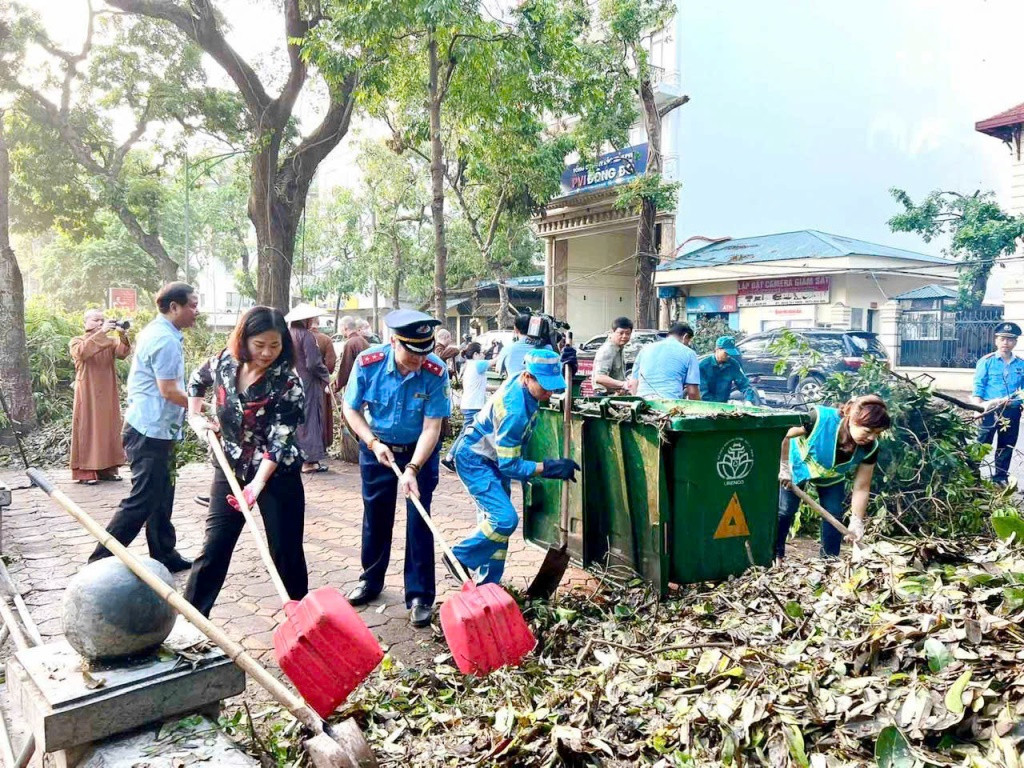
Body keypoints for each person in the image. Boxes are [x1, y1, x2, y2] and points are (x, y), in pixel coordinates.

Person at [183, 307, 308, 616]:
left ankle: (305, 625)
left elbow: (281, 440)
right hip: (229, 467)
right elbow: (196, 382)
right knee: (214, 548)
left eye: (275, 345)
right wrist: (195, 416)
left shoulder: (288, 383)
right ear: (244, 340)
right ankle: (192, 622)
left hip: (276, 476)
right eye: (259, 344)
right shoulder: (224, 362)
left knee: (285, 553)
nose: (267, 353)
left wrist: (256, 485)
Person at [342, 309, 451, 627]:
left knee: (419, 519)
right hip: (378, 449)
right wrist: (374, 443)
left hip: (420, 452)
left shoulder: (436, 370)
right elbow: (351, 409)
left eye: (424, 352)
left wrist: (414, 468)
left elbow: (433, 426)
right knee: (376, 517)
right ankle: (370, 581)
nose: (419, 360)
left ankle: (419, 596)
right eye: (411, 352)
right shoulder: (368, 363)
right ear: (393, 341)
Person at [88, 282, 198, 572]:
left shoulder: (162, 332)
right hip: (149, 431)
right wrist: (205, 409)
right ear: (174, 307)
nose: (196, 312)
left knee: (163, 493)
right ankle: (100, 561)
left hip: (156, 428)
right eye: (193, 305)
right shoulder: (164, 340)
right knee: (144, 498)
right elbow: (169, 391)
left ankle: (164, 553)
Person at [449, 349, 579, 584]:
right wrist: (548, 468)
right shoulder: (514, 411)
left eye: (553, 386)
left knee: (496, 530)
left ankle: (488, 584)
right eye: (545, 386)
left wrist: (571, 372)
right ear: (528, 377)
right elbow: (509, 465)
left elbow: (537, 351)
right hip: (475, 460)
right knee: (504, 520)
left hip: (491, 460)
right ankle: (460, 556)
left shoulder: (521, 379)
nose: (549, 393)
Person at [776, 394, 891, 560]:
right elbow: (785, 434)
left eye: (877, 433)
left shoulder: (870, 448)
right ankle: (775, 556)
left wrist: (857, 520)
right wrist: (784, 466)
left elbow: (861, 487)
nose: (872, 437)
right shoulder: (819, 419)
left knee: (834, 514)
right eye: (868, 431)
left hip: (830, 475)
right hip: (796, 465)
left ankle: (830, 561)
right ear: (851, 418)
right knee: (786, 510)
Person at [70, 310, 132, 484]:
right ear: (85, 322)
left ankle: (108, 469)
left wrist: (122, 334)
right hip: (87, 392)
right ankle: (86, 471)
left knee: (108, 428)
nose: (99, 322)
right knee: (87, 428)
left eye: (102, 320)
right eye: (95, 320)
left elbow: (122, 353)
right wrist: (102, 331)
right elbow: (81, 353)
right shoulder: (77, 341)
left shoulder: (109, 342)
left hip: (107, 391)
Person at [973, 321, 1024, 488]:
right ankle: (972, 475)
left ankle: (999, 478)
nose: (1005, 343)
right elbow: (979, 386)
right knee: (982, 443)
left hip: (1012, 411)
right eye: (1002, 339)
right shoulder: (987, 361)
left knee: (1006, 445)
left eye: (1010, 340)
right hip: (989, 410)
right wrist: (978, 409)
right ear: (996, 340)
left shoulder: (1021, 364)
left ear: (1015, 342)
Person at [287, 303, 331, 474]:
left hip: (290, 382)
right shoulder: (306, 336)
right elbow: (313, 363)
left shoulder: (287, 335)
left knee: (295, 419)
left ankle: (296, 458)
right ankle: (309, 461)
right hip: (307, 382)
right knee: (310, 418)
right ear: (306, 320)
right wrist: (325, 374)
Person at [441, 342, 488, 471]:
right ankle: (450, 457)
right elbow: (495, 361)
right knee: (467, 432)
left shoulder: (468, 365)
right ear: (475, 354)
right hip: (473, 406)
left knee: (471, 432)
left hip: (470, 404)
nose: (484, 354)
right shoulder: (478, 364)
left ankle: (458, 457)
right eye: (482, 352)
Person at [628, 322, 700, 400]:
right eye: (688, 341)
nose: (687, 344)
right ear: (685, 336)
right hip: (671, 404)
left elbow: (633, 384)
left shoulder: (645, 349)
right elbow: (692, 392)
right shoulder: (689, 353)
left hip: (643, 402)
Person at [699, 336, 758, 403]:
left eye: (730, 353)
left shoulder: (733, 364)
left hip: (724, 404)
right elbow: (702, 393)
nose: (729, 356)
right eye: (726, 353)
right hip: (706, 405)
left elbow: (744, 384)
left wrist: (749, 400)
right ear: (718, 350)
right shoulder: (703, 366)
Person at [311, 315, 338, 453]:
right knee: (322, 414)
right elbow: (331, 364)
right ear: (318, 323)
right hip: (320, 383)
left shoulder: (295, 338)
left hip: (301, 383)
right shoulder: (325, 339)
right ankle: (321, 446)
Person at [591, 316, 633, 394]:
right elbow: (599, 378)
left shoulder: (619, 348)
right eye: (621, 333)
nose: (624, 336)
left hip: (615, 395)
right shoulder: (607, 350)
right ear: (612, 332)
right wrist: (623, 384)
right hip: (603, 395)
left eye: (627, 333)